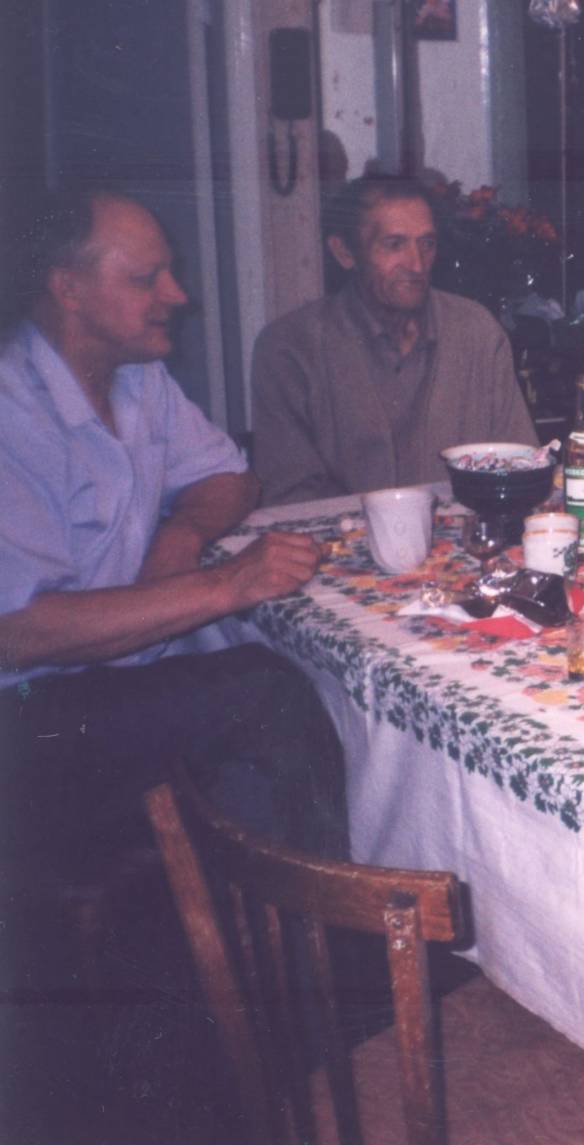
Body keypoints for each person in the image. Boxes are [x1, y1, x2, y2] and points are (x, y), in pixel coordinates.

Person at [0, 189, 348, 873]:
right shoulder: (13, 415)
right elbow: (18, 631)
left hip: (113, 683)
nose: (177, 295)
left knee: (281, 679)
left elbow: (230, 479)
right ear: (68, 289)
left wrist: (180, 537)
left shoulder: (139, 380)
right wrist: (223, 584)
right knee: (264, 694)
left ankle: (244, 912)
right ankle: (320, 932)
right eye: (145, 279)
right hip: (25, 715)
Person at [251, 173, 538, 506]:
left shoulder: (476, 333)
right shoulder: (291, 348)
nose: (416, 265)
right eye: (394, 245)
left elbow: (521, 465)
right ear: (345, 253)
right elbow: (291, 496)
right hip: (341, 535)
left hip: (464, 532)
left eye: (426, 244)